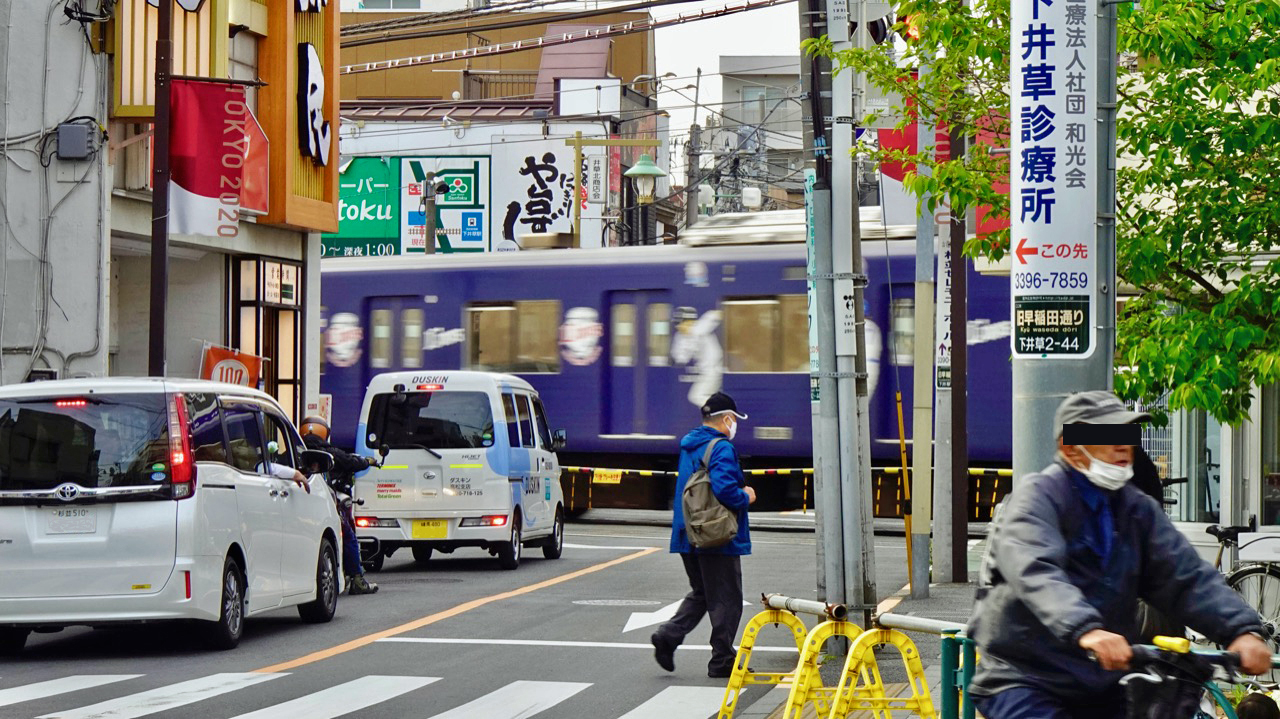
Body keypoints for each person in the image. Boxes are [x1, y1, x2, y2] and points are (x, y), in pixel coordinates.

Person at [967, 390, 1271, 719]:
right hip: (1025, 678)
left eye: (1126, 435)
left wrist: (1240, 629)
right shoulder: (1037, 497)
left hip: (1099, 682)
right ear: (1071, 448)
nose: (1123, 446)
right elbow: (1035, 569)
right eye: (1106, 435)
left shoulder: (1135, 509)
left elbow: (1185, 575)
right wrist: (1086, 629)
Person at [651, 391, 756, 679]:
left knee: (701, 592)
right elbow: (723, 489)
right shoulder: (721, 448)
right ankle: (722, 660)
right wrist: (745, 496)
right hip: (716, 536)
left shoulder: (689, 445)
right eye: (734, 419)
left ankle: (668, 636)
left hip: (688, 533)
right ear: (726, 419)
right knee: (727, 599)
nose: (735, 424)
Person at [300, 416, 379, 596]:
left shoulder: (296, 450)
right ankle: (358, 579)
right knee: (348, 536)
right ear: (324, 433)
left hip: (301, 503)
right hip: (326, 500)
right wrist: (368, 461)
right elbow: (352, 462)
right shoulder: (330, 453)